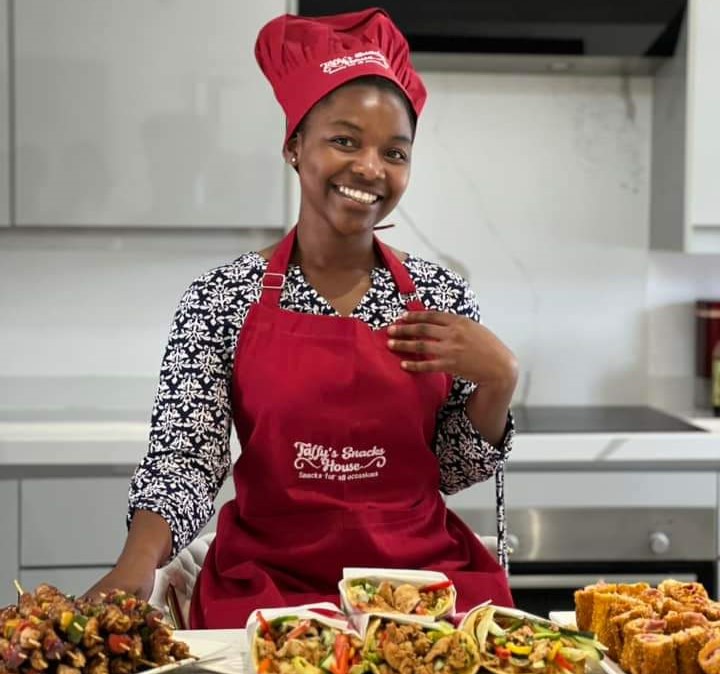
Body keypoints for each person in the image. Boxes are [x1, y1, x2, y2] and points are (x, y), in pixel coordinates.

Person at [87, 7, 519, 627]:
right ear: (294, 147)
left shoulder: (438, 295)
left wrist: (500, 380)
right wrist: (137, 564)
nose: (371, 167)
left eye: (394, 152)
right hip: (270, 589)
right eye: (345, 141)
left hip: (421, 592)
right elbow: (186, 457)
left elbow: (452, 470)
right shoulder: (223, 297)